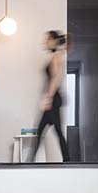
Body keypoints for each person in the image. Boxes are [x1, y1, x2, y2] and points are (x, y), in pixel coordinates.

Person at [30, 30, 70, 162]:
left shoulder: (56, 56)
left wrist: (49, 98)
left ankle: (67, 160)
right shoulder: (56, 55)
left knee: (50, 130)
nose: (45, 42)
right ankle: (31, 159)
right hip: (53, 98)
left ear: (54, 41)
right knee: (43, 129)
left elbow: (55, 79)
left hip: (53, 98)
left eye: (47, 40)